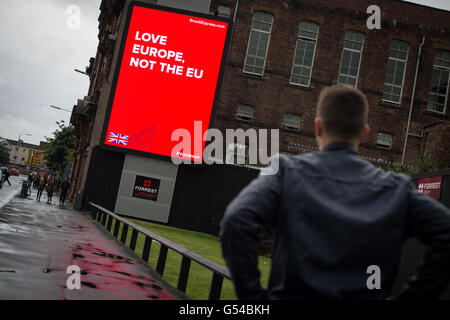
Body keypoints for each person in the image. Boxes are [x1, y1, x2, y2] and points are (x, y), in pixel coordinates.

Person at [220, 85, 450, 300]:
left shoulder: (285, 173)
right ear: (364, 133)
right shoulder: (396, 189)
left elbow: (236, 219)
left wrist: (254, 298)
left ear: (318, 126)